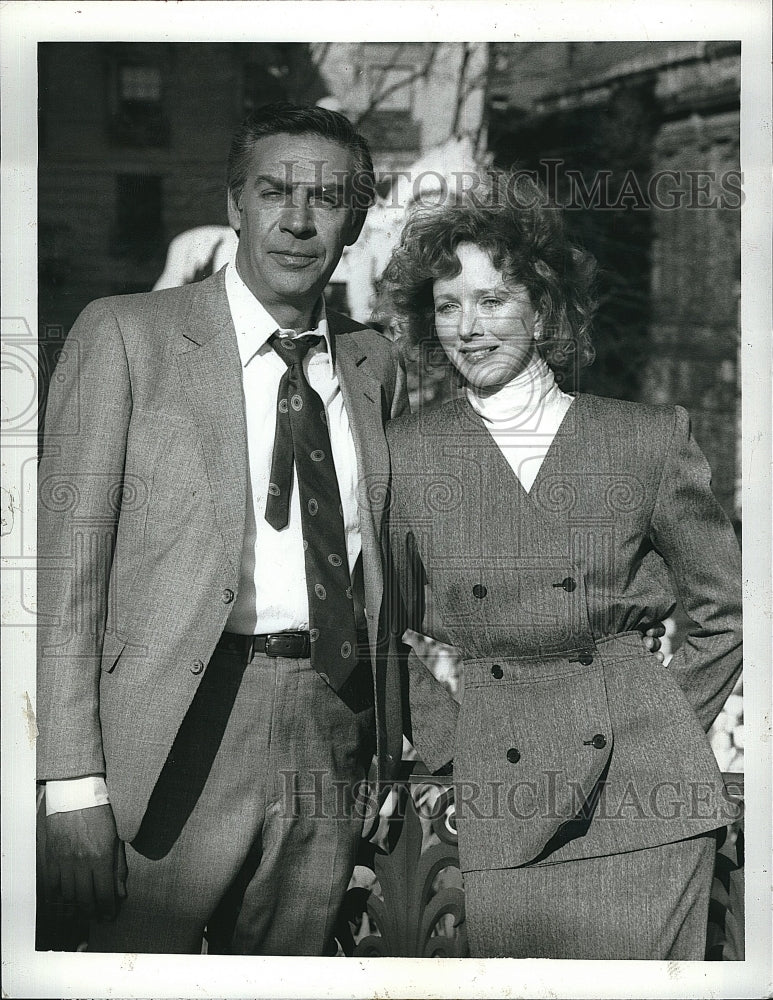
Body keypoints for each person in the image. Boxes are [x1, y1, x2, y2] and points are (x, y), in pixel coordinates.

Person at [36, 102, 459, 955]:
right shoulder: (124, 336)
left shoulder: (373, 365)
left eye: (328, 199)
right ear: (235, 205)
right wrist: (70, 783)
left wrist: (382, 744)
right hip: (168, 734)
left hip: (327, 729)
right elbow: (64, 574)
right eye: (275, 192)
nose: (298, 222)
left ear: (355, 221)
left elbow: (380, 575)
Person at [382, 171, 743, 960]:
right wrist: (448, 740)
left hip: (647, 798)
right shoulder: (410, 452)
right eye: (448, 305)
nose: (468, 328)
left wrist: (662, 722)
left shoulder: (644, 437)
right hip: (504, 796)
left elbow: (727, 607)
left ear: (541, 310)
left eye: (491, 300)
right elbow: (379, 619)